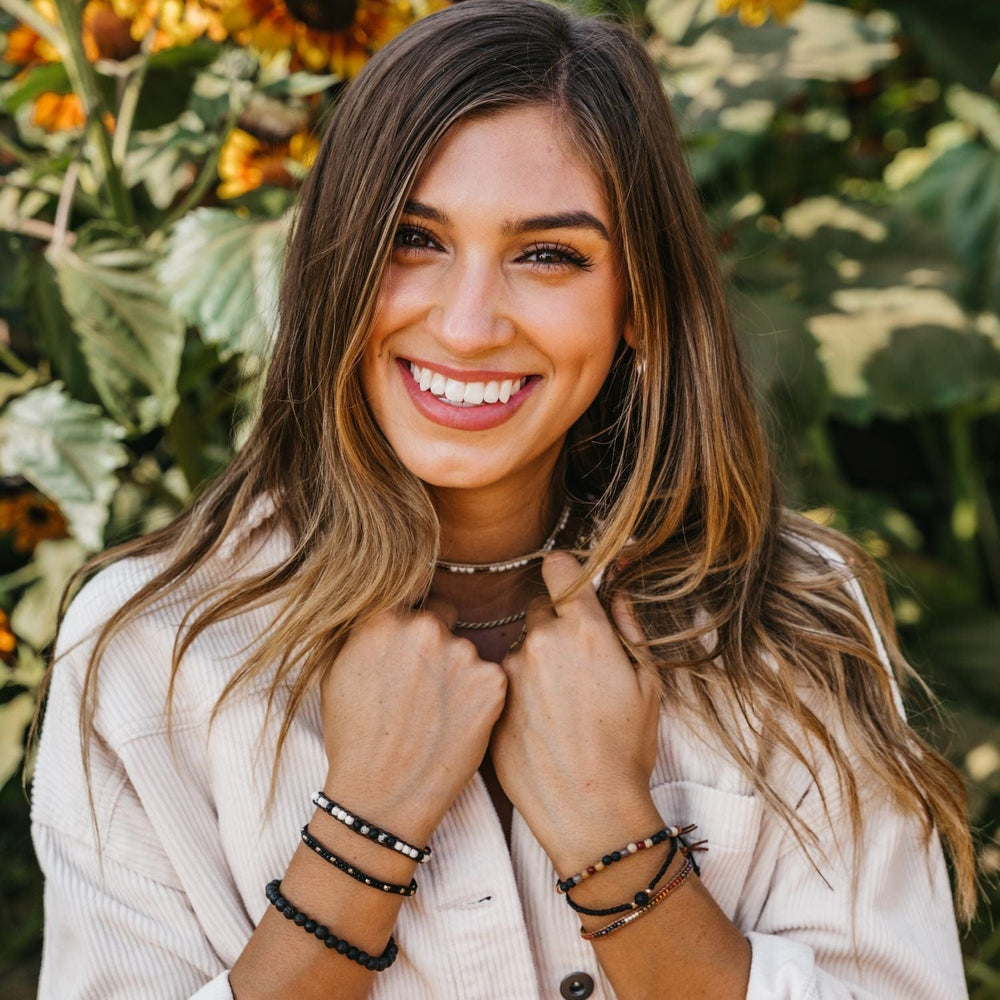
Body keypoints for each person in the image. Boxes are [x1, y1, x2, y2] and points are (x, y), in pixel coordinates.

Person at [30, 1, 973, 998]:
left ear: (641, 301)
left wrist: (613, 833)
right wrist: (365, 830)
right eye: (413, 240)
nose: (469, 324)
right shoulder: (149, 651)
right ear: (331, 264)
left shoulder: (786, 615)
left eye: (548, 254)